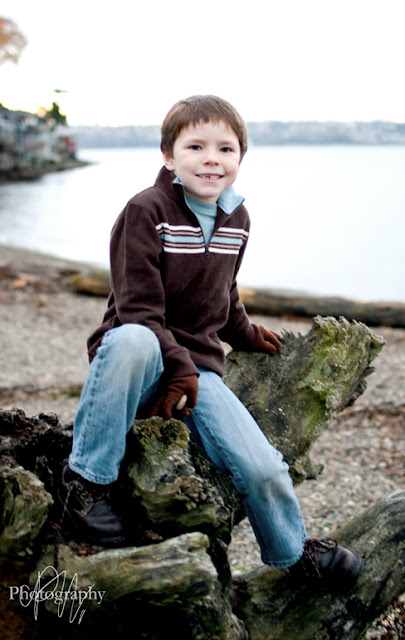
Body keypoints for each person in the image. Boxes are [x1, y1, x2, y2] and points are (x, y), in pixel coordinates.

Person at [59, 95, 362, 586]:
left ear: (241, 157)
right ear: (168, 155)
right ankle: (86, 484)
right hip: (135, 363)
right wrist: (177, 366)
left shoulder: (237, 219)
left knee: (263, 466)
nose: (211, 159)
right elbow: (139, 309)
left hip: (197, 371)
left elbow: (222, 291)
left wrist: (243, 332)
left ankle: (292, 552)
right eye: (195, 146)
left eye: (225, 149)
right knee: (134, 339)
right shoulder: (145, 211)